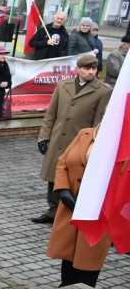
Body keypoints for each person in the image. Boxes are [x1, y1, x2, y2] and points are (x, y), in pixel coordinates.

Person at [32, 54, 111, 224]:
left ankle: (69, 213)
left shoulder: (103, 90)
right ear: (78, 69)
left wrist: (91, 145)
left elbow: (98, 122)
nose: (91, 72)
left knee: (74, 179)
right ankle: (52, 211)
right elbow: (51, 114)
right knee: (53, 176)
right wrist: (44, 137)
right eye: (86, 69)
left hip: (79, 142)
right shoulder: (63, 85)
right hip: (58, 139)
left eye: (93, 69)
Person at [46, 126, 112, 287]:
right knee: (67, 259)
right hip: (70, 207)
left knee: (86, 271)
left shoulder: (121, 143)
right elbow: (63, 161)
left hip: (97, 213)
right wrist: (63, 190)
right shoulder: (85, 133)